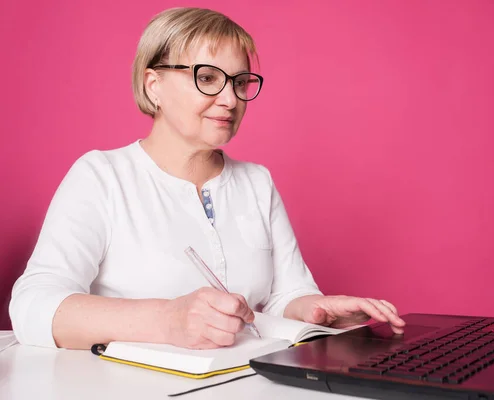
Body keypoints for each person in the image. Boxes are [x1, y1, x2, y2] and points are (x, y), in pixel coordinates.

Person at [9, 7, 405, 350]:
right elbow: (32, 306)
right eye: (208, 77)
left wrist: (318, 311)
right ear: (154, 84)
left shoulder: (256, 183)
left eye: (239, 82)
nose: (230, 99)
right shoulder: (101, 177)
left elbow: (287, 294)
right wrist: (168, 320)